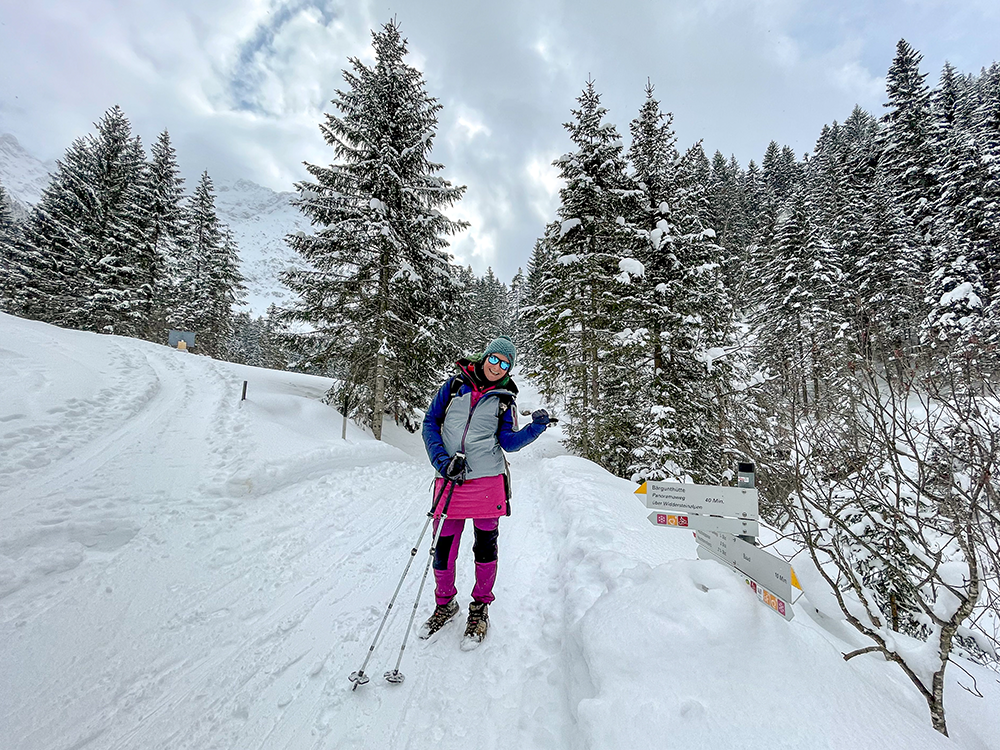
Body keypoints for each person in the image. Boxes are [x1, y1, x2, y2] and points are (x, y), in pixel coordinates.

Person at [419, 335, 551, 648]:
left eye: (505, 363)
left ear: (509, 369)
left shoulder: (505, 398)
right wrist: (442, 460)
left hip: (488, 482)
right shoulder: (453, 387)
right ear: (485, 357)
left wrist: (535, 428)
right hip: (450, 479)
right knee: (444, 547)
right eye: (495, 359)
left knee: (485, 547)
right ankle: (445, 604)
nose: (498, 366)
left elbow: (509, 442)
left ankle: (480, 608)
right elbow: (430, 424)